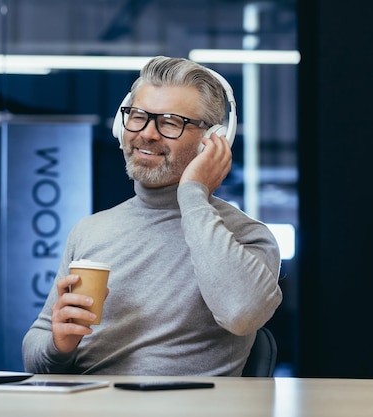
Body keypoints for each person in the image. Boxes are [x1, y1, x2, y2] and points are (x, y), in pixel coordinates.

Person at [21, 56, 283, 376]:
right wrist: (59, 345)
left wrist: (193, 194)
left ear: (212, 140)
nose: (147, 133)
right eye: (138, 116)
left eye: (170, 122)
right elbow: (36, 352)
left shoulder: (246, 236)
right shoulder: (90, 231)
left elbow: (241, 314)